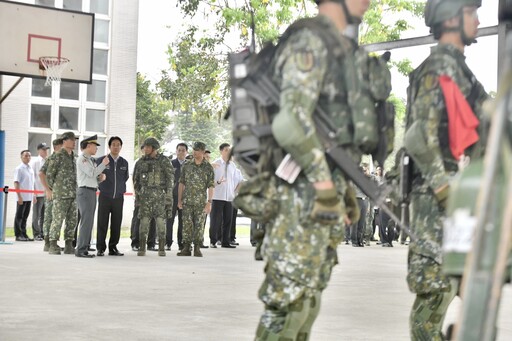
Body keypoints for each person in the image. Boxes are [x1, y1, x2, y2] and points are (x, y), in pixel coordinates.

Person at [254, 0, 372, 339]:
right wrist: (324, 186)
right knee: (288, 309)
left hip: (318, 198)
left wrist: (343, 192)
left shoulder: (337, 48)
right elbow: (290, 122)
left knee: (306, 306)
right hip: (300, 200)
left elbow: (329, 139)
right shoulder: (310, 42)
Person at [404, 0, 488, 339]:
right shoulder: (439, 67)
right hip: (437, 200)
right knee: (434, 299)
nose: (479, 21)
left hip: (455, 197)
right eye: (473, 13)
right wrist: (443, 191)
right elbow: (417, 137)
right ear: (452, 19)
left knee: (461, 288)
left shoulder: (459, 70)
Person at [132, 137, 174, 257]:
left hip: (160, 197)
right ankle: (141, 248)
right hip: (145, 198)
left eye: (147, 147)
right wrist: (139, 197)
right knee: (143, 224)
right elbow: (136, 181)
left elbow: (170, 179)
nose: (145, 149)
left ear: (154, 148)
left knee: (161, 224)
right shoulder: (140, 162)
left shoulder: (164, 161)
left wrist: (168, 197)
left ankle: (161, 248)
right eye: (144, 147)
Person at [177, 141, 214, 257]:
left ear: (203, 151)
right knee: (186, 225)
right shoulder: (187, 165)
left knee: (199, 225)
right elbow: (181, 184)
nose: (195, 152)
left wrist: (209, 202)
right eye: (194, 150)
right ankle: (186, 248)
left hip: (200, 202)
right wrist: (179, 200)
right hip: (187, 201)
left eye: (197, 150)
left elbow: (211, 186)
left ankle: (197, 247)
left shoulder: (208, 167)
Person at [45, 131, 79, 255]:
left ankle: (69, 244)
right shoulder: (57, 156)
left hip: (73, 195)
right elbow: (49, 175)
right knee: (57, 220)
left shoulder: (74, 158)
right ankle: (53, 244)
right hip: (60, 195)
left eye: (75, 140)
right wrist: (53, 189)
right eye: (71, 139)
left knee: (72, 220)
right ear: (64, 141)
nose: (74, 142)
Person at [74, 135, 108, 258]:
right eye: (95, 146)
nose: (96, 148)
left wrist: (100, 179)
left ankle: (85, 245)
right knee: (86, 221)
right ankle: (81, 249)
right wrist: (103, 165)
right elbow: (92, 172)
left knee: (89, 220)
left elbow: (92, 177)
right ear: (88, 146)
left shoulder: (89, 160)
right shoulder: (82, 159)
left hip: (91, 191)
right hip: (85, 192)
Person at [95, 136, 129, 257]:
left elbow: (125, 178)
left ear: (121, 147)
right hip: (105, 196)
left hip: (118, 198)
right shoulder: (102, 160)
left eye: (118, 144)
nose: (116, 146)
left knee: (116, 223)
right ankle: (100, 248)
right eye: (113, 144)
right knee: (102, 223)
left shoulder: (124, 162)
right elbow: (96, 176)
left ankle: (113, 247)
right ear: (109, 147)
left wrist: (119, 190)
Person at [209, 143, 242, 249]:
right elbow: (210, 182)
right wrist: (218, 182)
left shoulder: (232, 165)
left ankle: (225, 242)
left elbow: (237, 181)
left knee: (228, 220)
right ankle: (213, 241)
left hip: (229, 197)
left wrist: (235, 191)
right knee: (215, 220)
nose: (229, 152)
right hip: (218, 196)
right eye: (226, 150)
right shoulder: (215, 164)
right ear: (221, 151)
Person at [39, 138, 63, 251]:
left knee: (56, 218)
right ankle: (47, 242)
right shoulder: (51, 159)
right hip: (51, 193)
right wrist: (47, 189)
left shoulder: (62, 159)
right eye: (62, 145)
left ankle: (53, 241)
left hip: (59, 193)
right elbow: (41, 173)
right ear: (57, 146)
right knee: (49, 217)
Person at [166, 142, 188, 251]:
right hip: (171, 197)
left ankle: (182, 243)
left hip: (185, 198)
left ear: (186, 152)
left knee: (183, 221)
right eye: (179, 150)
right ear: (176, 151)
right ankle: (167, 243)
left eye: (183, 150)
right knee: (169, 220)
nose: (181, 152)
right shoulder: (170, 164)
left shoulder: (190, 164)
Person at [13, 150, 35, 242]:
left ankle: (24, 233)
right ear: (21, 157)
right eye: (26, 156)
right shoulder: (19, 169)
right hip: (22, 197)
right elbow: (16, 183)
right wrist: (19, 196)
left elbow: (31, 183)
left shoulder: (30, 168)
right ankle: (18, 235)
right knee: (19, 216)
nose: (28, 157)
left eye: (29, 156)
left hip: (29, 197)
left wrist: (33, 195)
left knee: (25, 216)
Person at [30, 142, 50, 241]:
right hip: (38, 192)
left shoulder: (48, 161)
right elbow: (32, 178)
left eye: (46, 149)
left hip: (46, 192)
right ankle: (36, 233)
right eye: (43, 149)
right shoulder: (35, 162)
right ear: (39, 150)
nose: (46, 151)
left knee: (44, 215)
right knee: (36, 215)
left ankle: (42, 232)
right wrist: (33, 193)